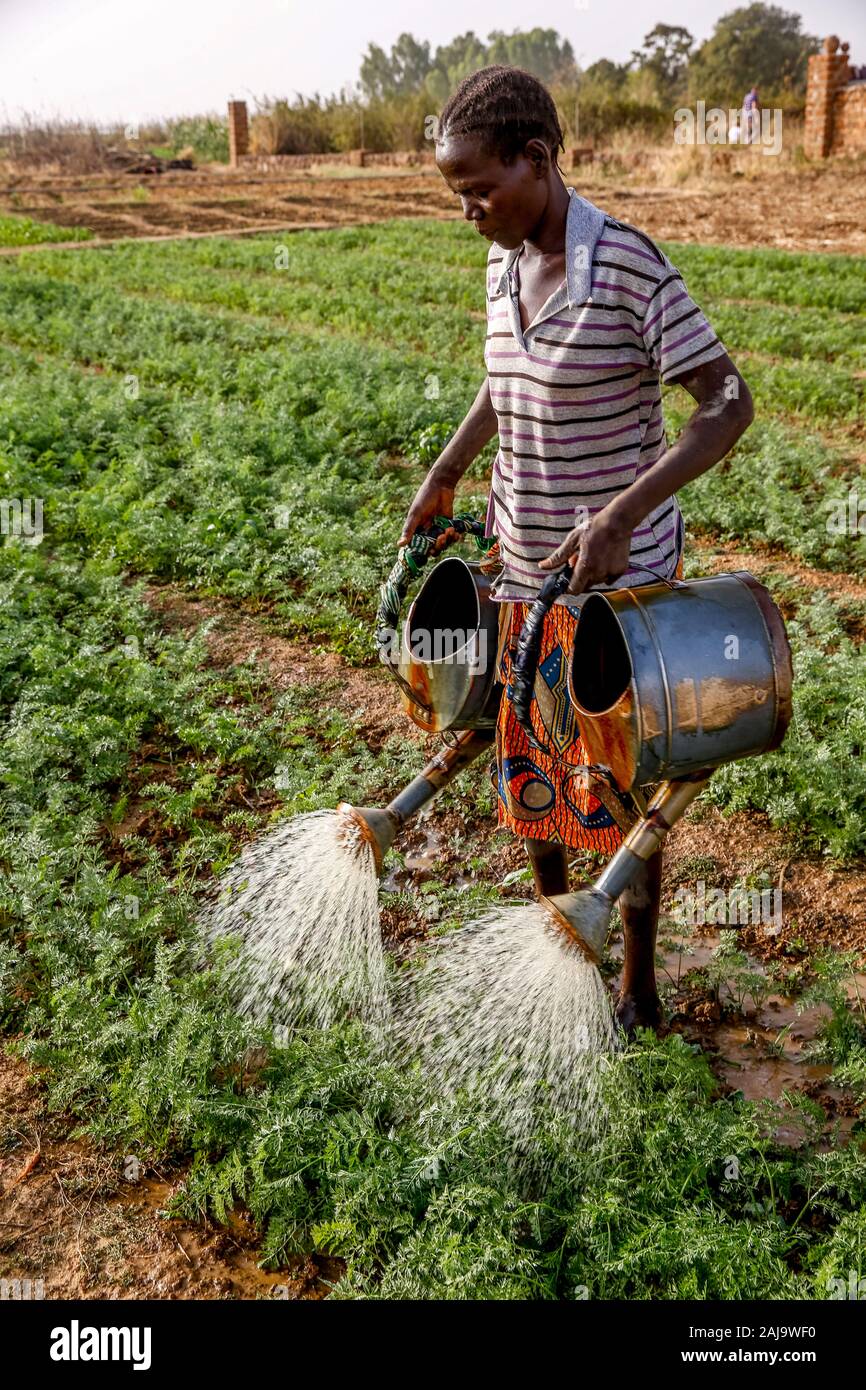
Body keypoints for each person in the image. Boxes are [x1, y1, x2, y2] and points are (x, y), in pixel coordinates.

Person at [398, 65, 753, 1033]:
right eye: (455, 194)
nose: (468, 210)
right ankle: (559, 943)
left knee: (616, 775)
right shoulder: (501, 263)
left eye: (479, 187)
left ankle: (635, 977)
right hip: (522, 564)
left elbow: (725, 405)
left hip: (614, 584)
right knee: (530, 763)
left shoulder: (627, 266)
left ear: (537, 159)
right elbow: (497, 379)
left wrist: (622, 514)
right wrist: (445, 468)